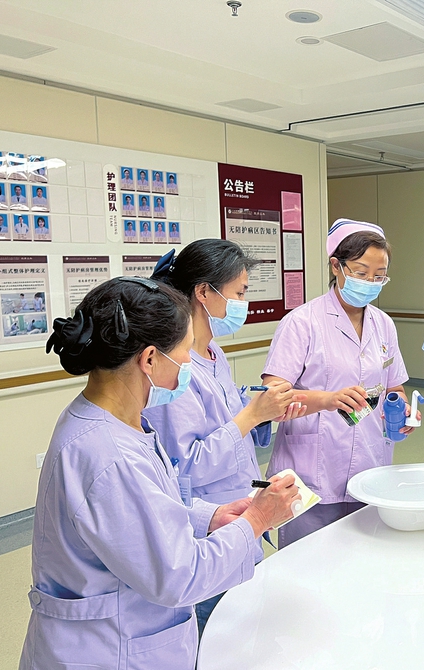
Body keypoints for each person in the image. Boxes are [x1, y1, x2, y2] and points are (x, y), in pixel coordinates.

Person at [19, 276, 301, 670]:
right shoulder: (110, 454)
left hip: (114, 634)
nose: (189, 363)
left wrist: (209, 517)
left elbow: (143, 512)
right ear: (150, 359)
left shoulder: (112, 421)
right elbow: (180, 575)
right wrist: (256, 520)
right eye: (185, 351)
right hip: (109, 651)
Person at [145, 241, 306, 635]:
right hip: (207, 524)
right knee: (216, 636)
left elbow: (227, 421)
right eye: (239, 293)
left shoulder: (212, 352)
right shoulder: (176, 368)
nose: (242, 304)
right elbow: (185, 465)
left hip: (239, 511)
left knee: (244, 631)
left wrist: (265, 412)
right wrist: (252, 415)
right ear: (204, 291)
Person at [262, 219, 414, 547]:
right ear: (336, 266)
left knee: (364, 561)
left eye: (379, 276)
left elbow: (394, 387)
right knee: (308, 566)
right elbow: (271, 400)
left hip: (370, 466)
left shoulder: (384, 325)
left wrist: (402, 410)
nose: (370, 283)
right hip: (310, 472)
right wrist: (328, 400)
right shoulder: (301, 323)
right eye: (361, 273)